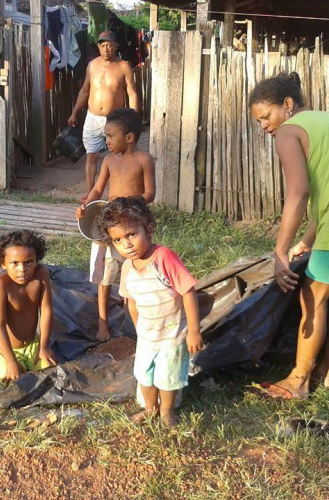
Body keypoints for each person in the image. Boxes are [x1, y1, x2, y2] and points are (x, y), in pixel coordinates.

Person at [249, 72, 329, 399]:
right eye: (258, 121)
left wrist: (281, 250)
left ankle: (299, 381)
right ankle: (325, 373)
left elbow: (299, 192)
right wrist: (308, 239)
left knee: (311, 300)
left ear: (287, 105)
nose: (264, 126)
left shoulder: (288, 132)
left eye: (265, 117)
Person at [96, 196, 203, 425]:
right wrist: (139, 332)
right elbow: (131, 302)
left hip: (172, 335)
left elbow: (188, 292)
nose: (126, 244)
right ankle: (150, 409)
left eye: (131, 234)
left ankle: (166, 411)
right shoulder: (127, 267)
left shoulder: (164, 257)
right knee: (144, 374)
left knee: (167, 378)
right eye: (117, 240)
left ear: (149, 229)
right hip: (147, 336)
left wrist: (193, 331)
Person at [76, 107, 155, 341]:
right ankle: (103, 323)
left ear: (129, 137)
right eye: (106, 136)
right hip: (110, 226)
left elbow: (149, 193)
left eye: (111, 136)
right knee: (105, 275)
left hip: (133, 224)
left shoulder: (144, 160)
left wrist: (127, 205)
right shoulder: (108, 160)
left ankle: (133, 318)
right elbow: (99, 188)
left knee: (136, 269)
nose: (107, 141)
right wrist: (86, 204)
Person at [67, 30, 139, 201]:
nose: (106, 49)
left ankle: (117, 194)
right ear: (98, 46)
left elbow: (132, 94)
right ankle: (91, 194)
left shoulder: (123, 66)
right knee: (91, 156)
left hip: (115, 120)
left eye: (109, 45)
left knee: (118, 157)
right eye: (102, 45)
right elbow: (85, 91)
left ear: (116, 47)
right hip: (92, 118)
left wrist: (133, 119)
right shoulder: (92, 65)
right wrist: (74, 112)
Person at [0, 230, 57, 386]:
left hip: (32, 345)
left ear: (37, 260)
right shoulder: (0, 285)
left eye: (28, 262)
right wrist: (11, 361)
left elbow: (46, 311)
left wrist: (43, 347)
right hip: (4, 348)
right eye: (14, 263)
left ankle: (30, 361)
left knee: (52, 374)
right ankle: (13, 364)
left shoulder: (41, 275)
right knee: (15, 384)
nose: (22, 269)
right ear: (3, 263)